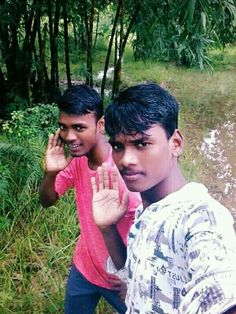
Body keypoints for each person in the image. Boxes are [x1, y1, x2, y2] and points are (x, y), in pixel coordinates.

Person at [91, 83, 236, 313]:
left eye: (142, 143)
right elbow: (137, 275)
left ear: (175, 143)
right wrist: (108, 228)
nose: (126, 159)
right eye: (118, 146)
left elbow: (221, 289)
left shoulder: (201, 217)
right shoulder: (147, 209)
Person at [39, 84, 140, 314]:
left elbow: (145, 235)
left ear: (100, 124)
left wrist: (132, 278)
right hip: (84, 267)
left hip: (119, 278)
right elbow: (47, 201)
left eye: (79, 127)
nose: (69, 137)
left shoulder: (126, 171)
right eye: (63, 128)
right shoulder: (77, 159)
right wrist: (51, 172)